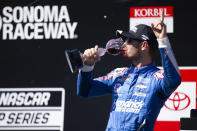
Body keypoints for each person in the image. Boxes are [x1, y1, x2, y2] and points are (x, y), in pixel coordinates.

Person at [77, 14, 181, 131]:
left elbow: (174, 80)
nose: (124, 44)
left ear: (144, 45)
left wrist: (163, 40)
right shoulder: (118, 74)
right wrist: (87, 66)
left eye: (129, 40)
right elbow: (85, 91)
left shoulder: (156, 78)